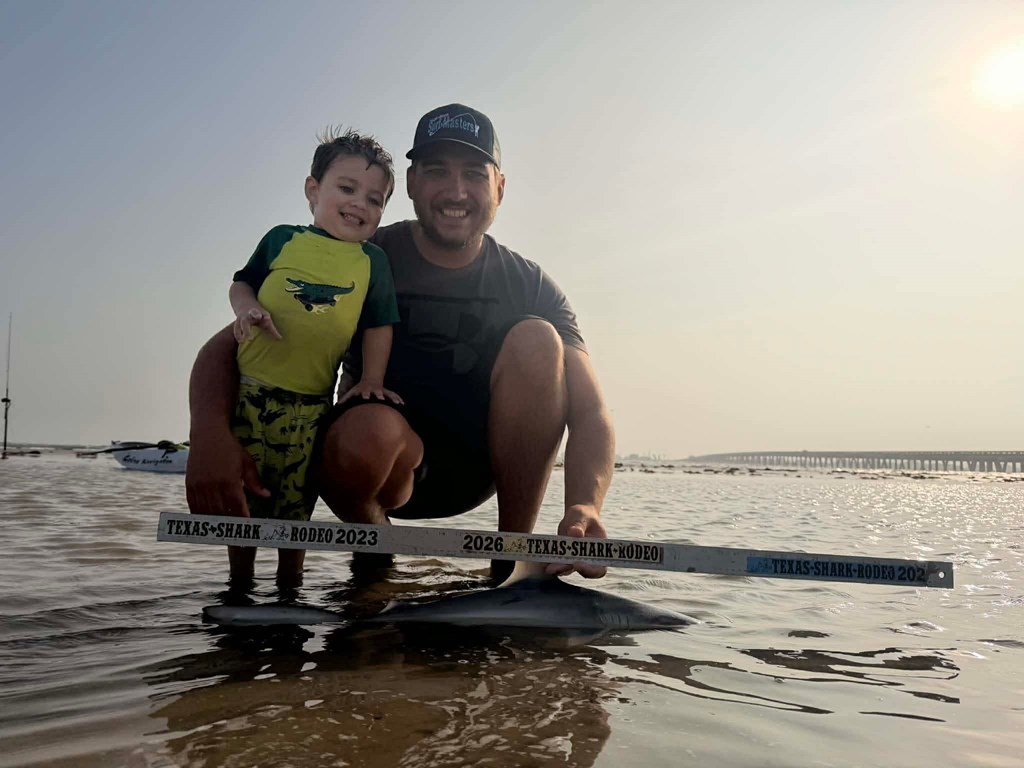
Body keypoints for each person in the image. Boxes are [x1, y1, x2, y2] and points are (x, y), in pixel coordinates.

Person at [186, 103, 615, 583]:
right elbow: (229, 346)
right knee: (368, 431)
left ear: (499, 187)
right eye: (437, 171)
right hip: (368, 461)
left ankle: (510, 564)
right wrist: (209, 439)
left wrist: (584, 506)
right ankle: (373, 560)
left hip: (480, 471)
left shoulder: (529, 284)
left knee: (538, 338)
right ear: (410, 184)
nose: (456, 191)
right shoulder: (360, 256)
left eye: (474, 174)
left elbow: (591, 410)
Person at [221, 128, 402, 584]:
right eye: (347, 188)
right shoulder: (281, 239)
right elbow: (241, 282)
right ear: (313, 190)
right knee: (245, 503)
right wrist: (247, 309)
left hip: (311, 405)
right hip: (249, 395)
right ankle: (239, 585)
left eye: (375, 199)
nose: (360, 204)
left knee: (295, 508)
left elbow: (379, 324)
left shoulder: (372, 262)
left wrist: (372, 380)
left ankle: (290, 587)